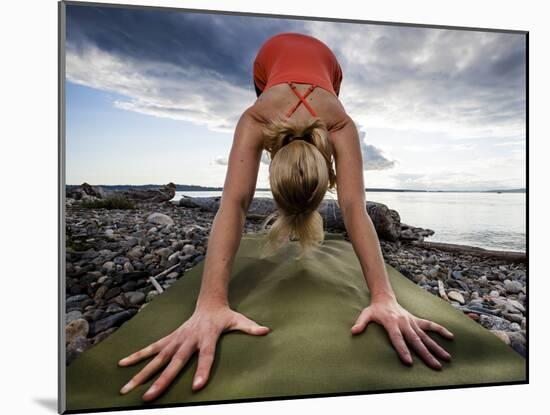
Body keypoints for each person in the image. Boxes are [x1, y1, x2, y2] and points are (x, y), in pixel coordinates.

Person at [117, 32, 454, 402]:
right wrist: (209, 304)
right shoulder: (267, 115)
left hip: (328, 69)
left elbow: (239, 203)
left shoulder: (327, 122)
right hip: (270, 65)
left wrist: (384, 297)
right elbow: (343, 207)